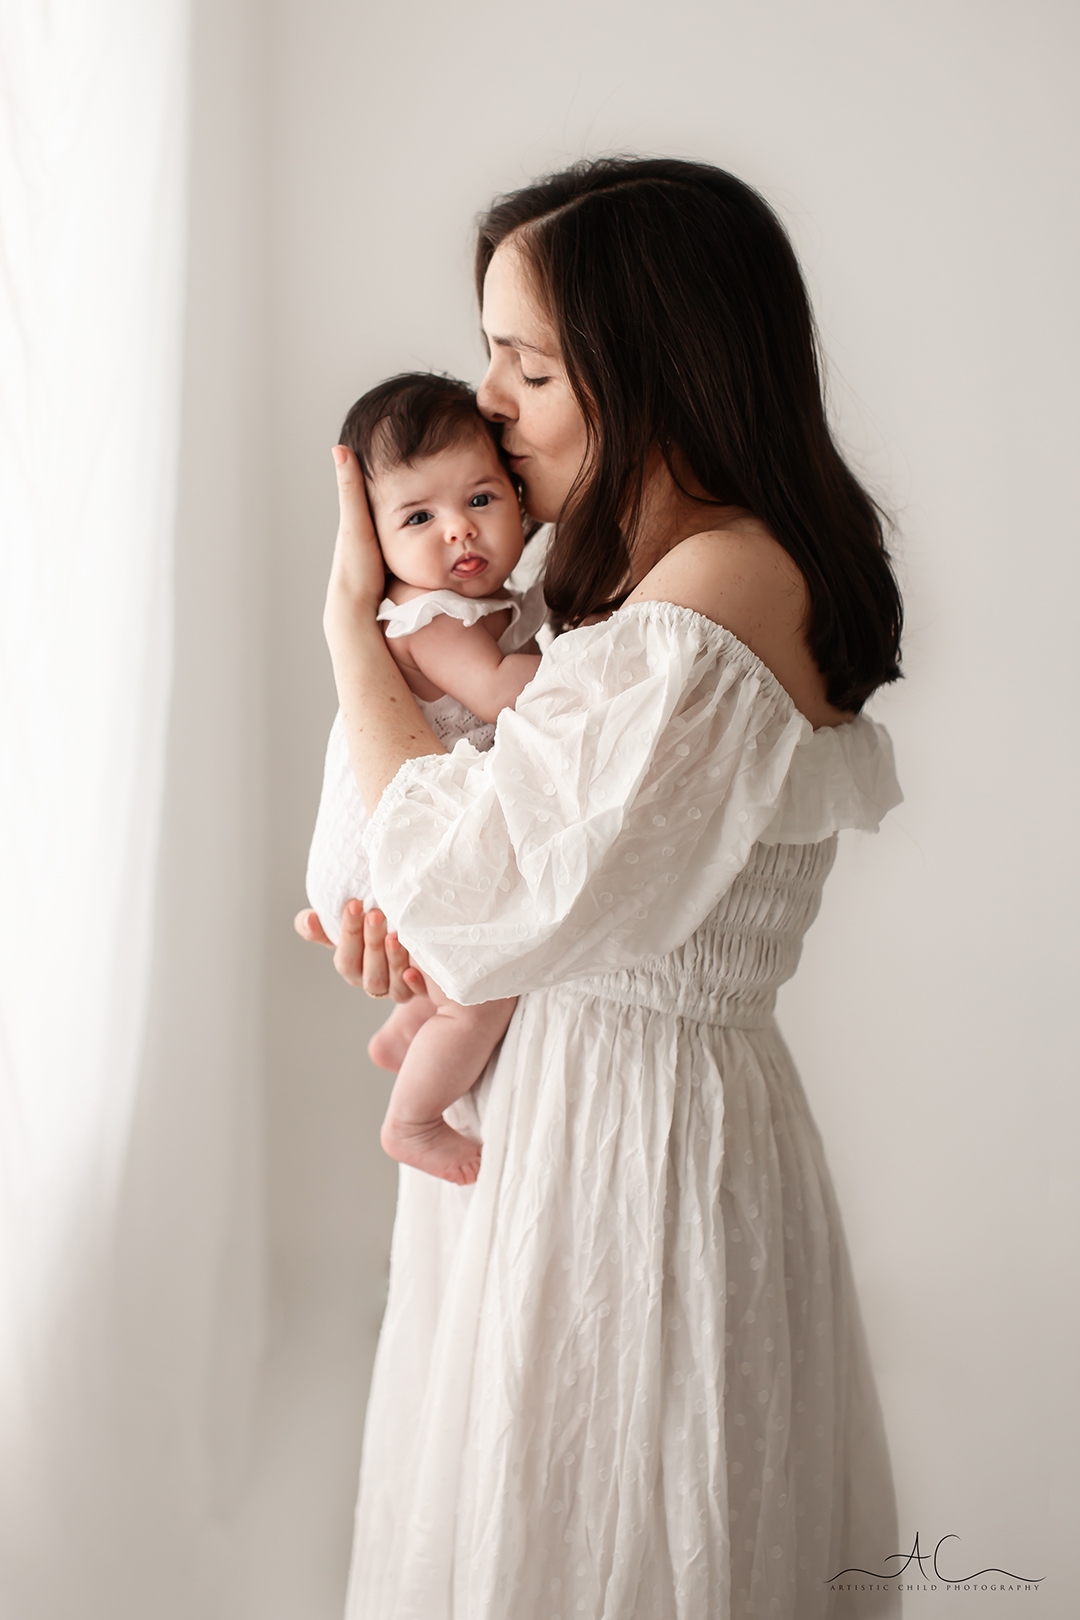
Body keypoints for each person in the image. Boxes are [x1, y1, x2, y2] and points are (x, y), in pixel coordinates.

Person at [297, 156, 905, 1618]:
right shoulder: (644, 581)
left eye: (531, 366)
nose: (489, 401)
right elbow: (484, 883)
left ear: (656, 367)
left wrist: (350, 632)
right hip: (583, 1116)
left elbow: (466, 878)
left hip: (623, 1146)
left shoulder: (715, 591)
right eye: (490, 353)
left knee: (600, 1540)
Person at [306, 373, 546, 1183]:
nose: (457, 532)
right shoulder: (436, 617)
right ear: (373, 543)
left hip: (383, 832)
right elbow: (507, 695)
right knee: (484, 988)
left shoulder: (471, 604)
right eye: (419, 517)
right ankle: (412, 1120)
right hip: (389, 850)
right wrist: (577, 655)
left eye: (479, 499)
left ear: (517, 495)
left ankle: (408, 1029)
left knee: (448, 981)